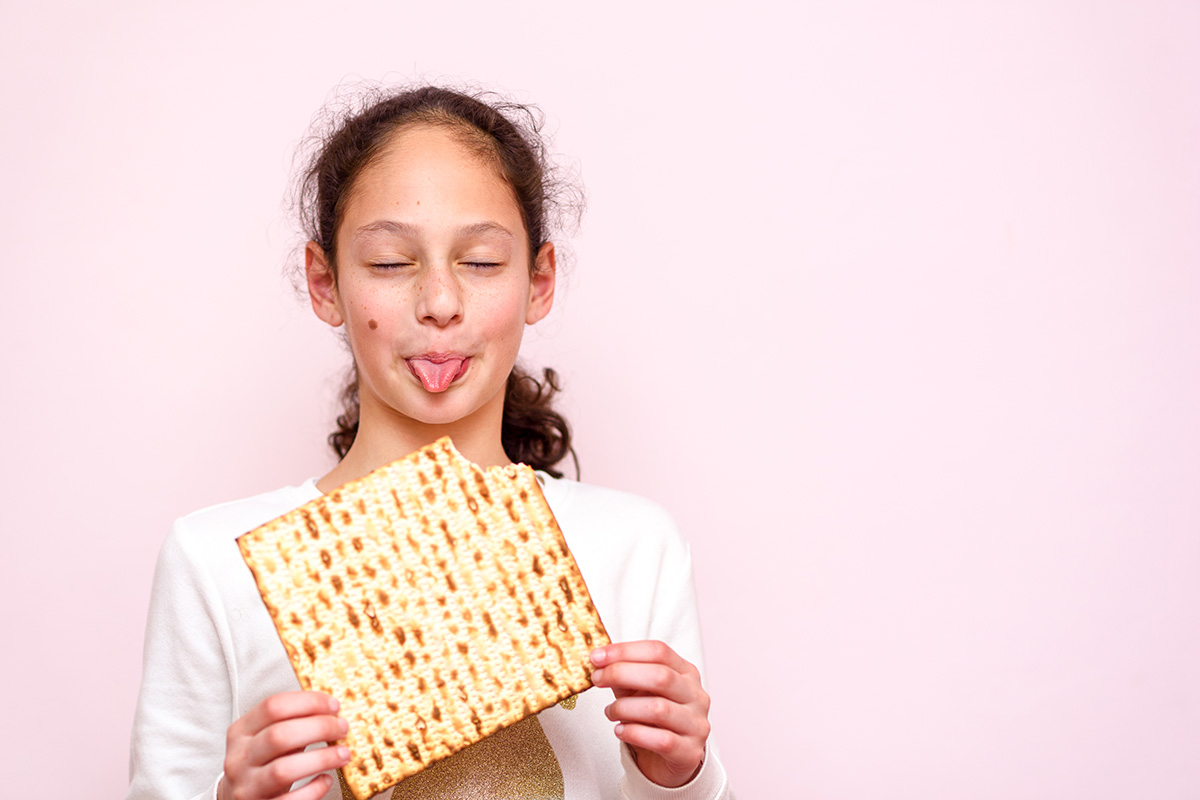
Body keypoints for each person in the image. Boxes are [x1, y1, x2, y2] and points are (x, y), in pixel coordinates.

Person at [127, 85, 730, 800]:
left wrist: (681, 775)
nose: (439, 302)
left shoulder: (636, 545)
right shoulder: (213, 561)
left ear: (539, 281)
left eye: (480, 261)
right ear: (326, 284)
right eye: (389, 263)